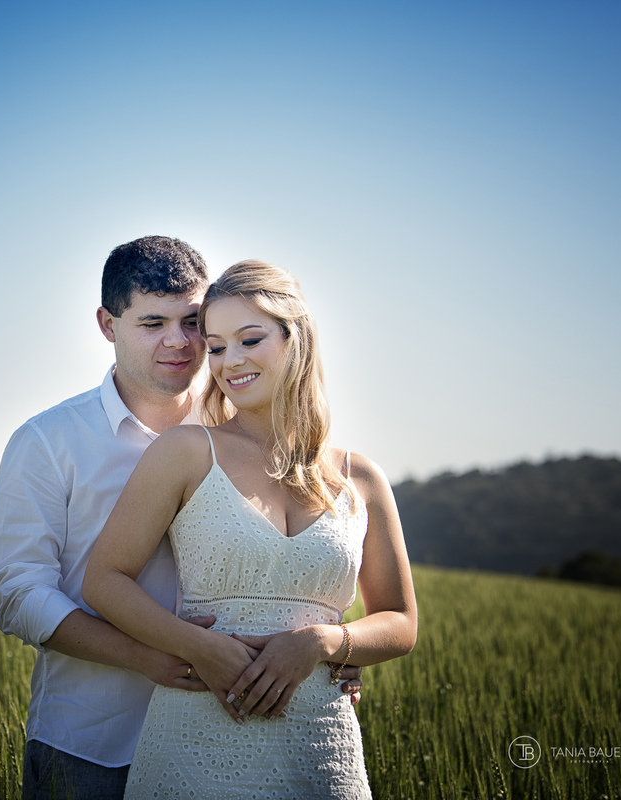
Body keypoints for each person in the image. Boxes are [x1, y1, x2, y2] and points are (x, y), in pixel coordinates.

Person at [0, 239, 363, 800]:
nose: (178, 342)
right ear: (108, 325)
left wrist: (332, 647)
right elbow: (18, 592)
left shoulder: (241, 433)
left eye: (191, 322)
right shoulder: (47, 442)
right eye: (153, 322)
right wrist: (155, 657)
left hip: (234, 732)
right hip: (93, 739)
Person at [83, 259, 417, 799]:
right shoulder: (187, 452)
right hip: (196, 735)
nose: (229, 361)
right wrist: (201, 648)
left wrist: (324, 642)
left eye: (250, 339)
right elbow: (104, 580)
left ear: (296, 339)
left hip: (321, 746)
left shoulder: (361, 478)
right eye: (215, 347)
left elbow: (401, 622)